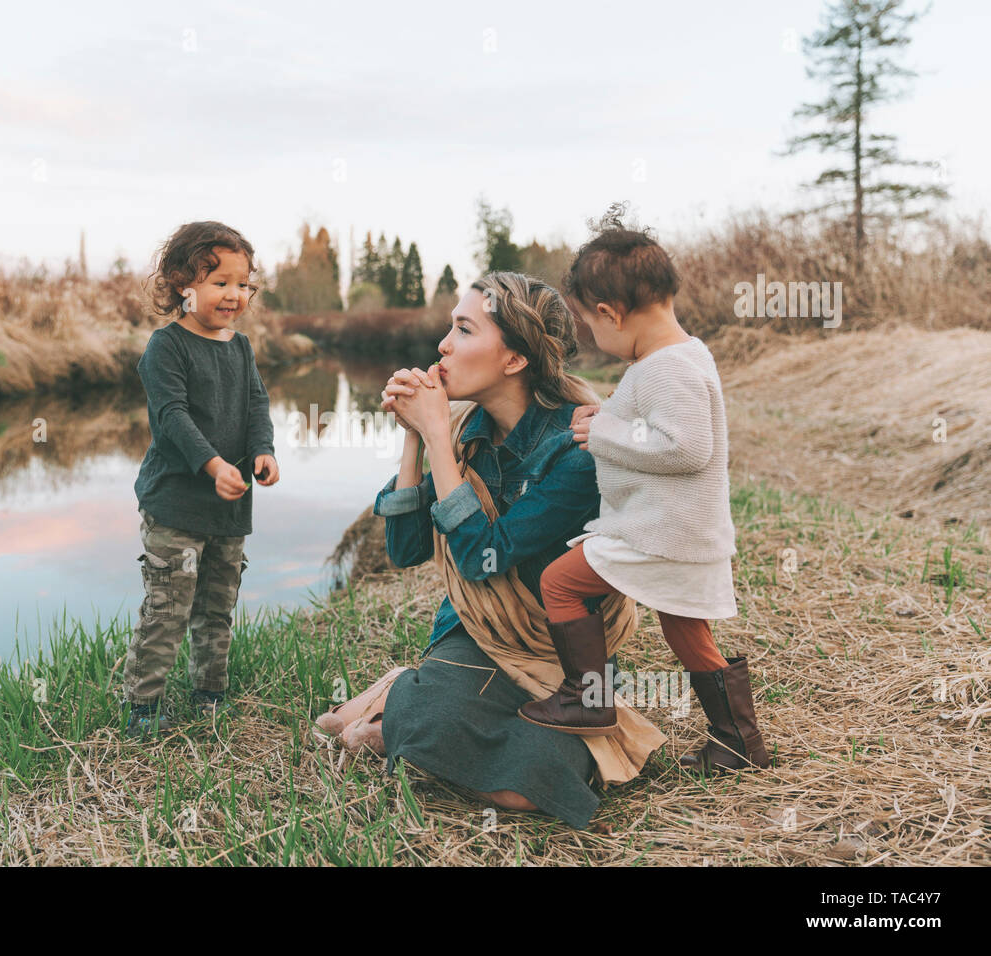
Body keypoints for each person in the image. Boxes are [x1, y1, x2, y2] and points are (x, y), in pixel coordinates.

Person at [317, 271, 665, 829]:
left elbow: (486, 555)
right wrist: (415, 437)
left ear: (514, 359)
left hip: (564, 655)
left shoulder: (578, 446)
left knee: (526, 791)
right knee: (434, 724)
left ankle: (394, 700)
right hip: (475, 632)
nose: (442, 346)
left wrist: (435, 436)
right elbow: (405, 551)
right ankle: (408, 694)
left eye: (462, 329)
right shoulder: (461, 434)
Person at [519, 211, 771, 775]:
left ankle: (587, 701)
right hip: (683, 530)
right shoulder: (683, 356)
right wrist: (608, 416)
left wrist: (603, 430)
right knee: (685, 631)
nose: (595, 338)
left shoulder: (664, 368)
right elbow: (658, 432)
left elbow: (684, 447)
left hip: (661, 531)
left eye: (591, 325)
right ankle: (739, 742)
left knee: (558, 583)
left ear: (611, 313)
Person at [122, 221, 280, 736]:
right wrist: (213, 466)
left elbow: (256, 403)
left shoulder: (240, 347)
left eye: (242, 283)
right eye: (219, 282)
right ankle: (143, 709)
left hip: (229, 509)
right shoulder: (165, 348)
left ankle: (209, 697)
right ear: (180, 284)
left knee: (217, 607)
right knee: (167, 609)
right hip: (176, 506)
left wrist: (262, 450)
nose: (234, 295)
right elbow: (172, 419)